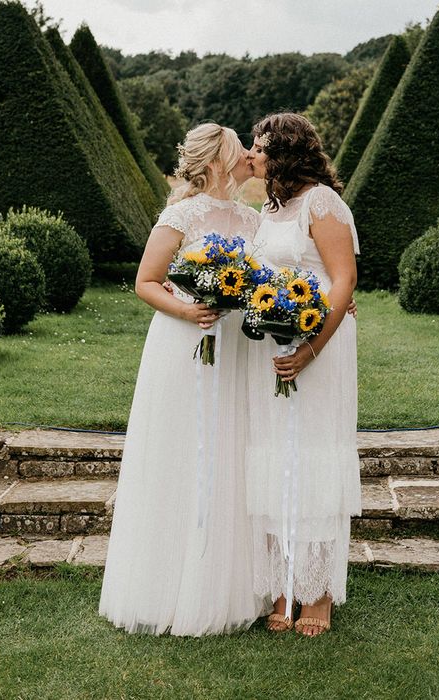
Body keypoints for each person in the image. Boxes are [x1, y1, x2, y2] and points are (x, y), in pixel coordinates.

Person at [99, 123, 266, 636]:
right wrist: (187, 309)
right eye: (239, 149)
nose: (247, 157)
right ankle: (165, 584)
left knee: (229, 449)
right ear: (217, 159)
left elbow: (267, 276)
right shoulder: (180, 215)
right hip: (183, 344)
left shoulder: (251, 219)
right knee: (182, 451)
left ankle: (226, 583)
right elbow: (145, 283)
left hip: (234, 345)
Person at [245, 113, 361, 636]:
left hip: (318, 347)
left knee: (312, 454)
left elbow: (343, 280)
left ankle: (315, 593)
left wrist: (312, 348)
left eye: (259, 146)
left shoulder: (322, 202)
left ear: (285, 151)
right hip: (269, 345)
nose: (252, 153)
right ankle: (281, 584)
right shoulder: (269, 209)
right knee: (272, 453)